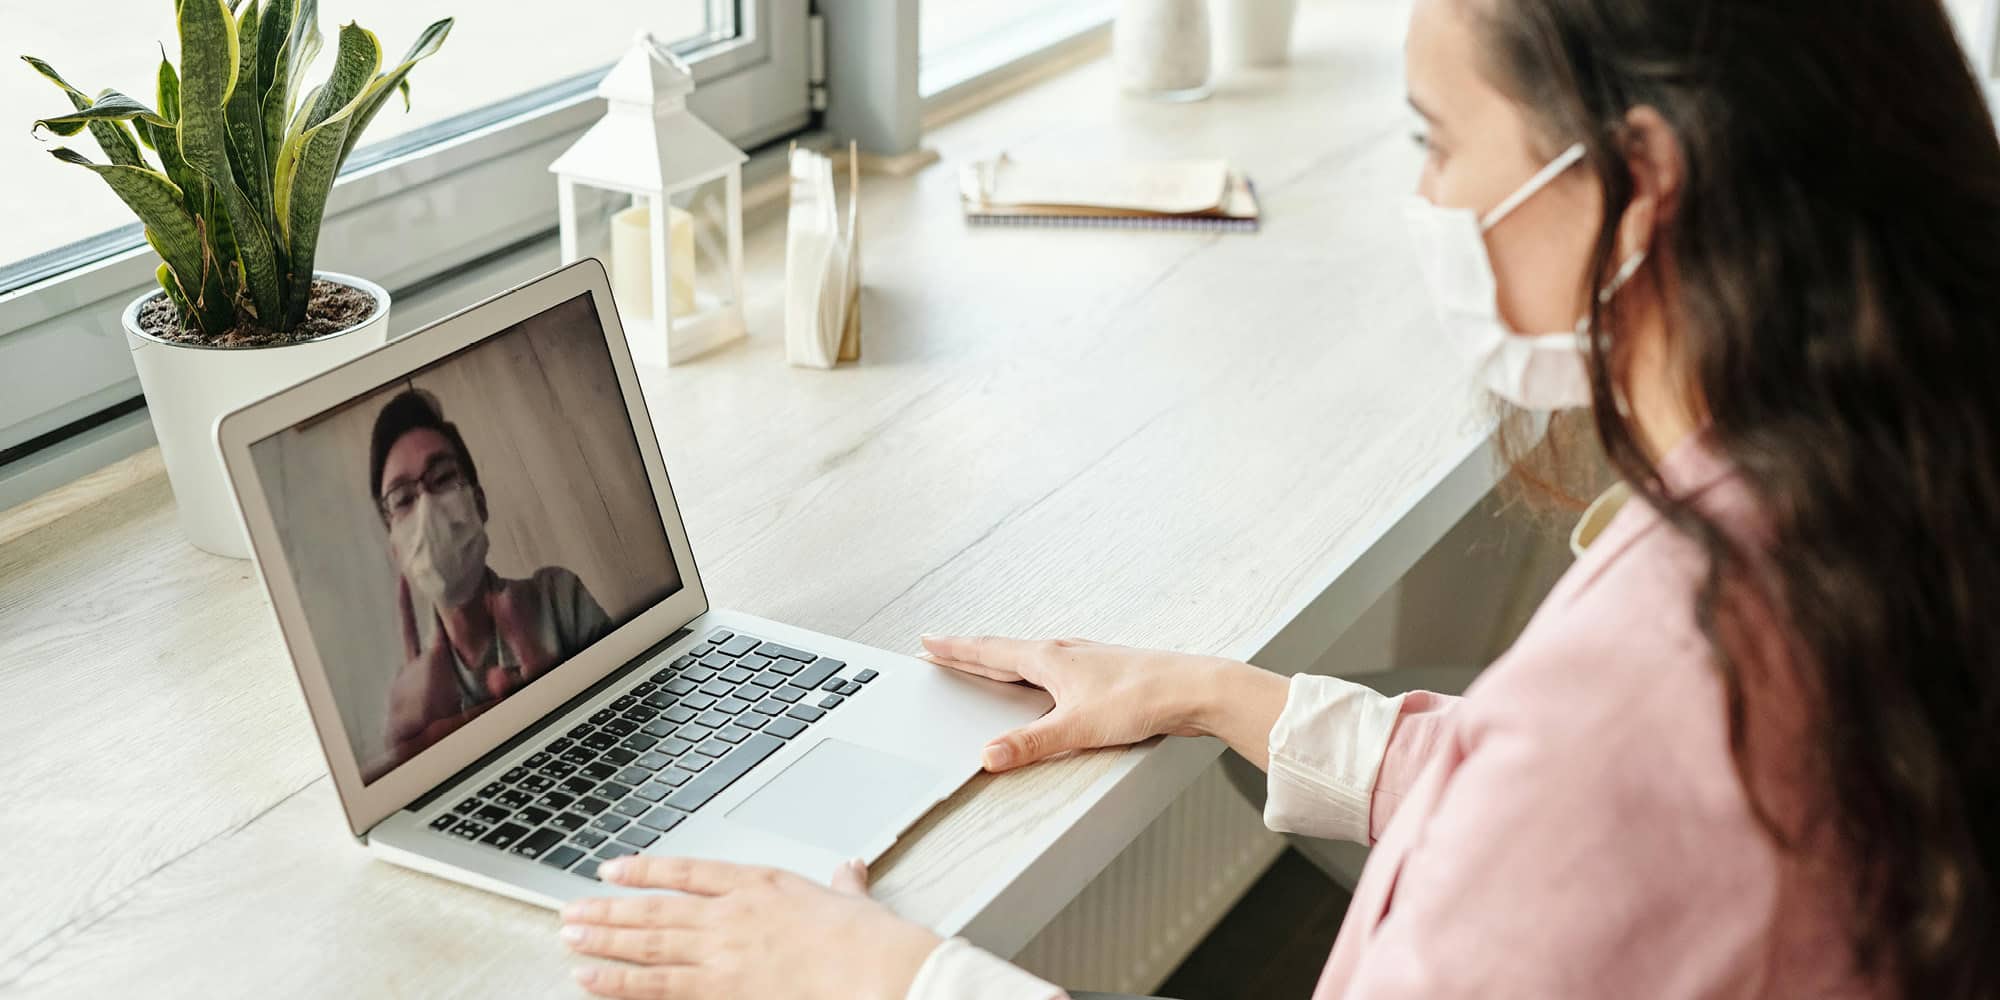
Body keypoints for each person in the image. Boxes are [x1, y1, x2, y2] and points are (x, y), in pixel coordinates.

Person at [552, 0, 1999, 996]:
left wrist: (890, 974)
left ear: (1640, 182)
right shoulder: (1872, 484)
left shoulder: (1666, 677)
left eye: (1437, 141)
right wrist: (1219, 693)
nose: (1426, 200)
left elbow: (1585, 787)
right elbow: (1571, 827)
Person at [371, 389, 613, 776]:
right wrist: (411, 766)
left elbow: (632, 721)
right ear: (396, 550)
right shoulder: (410, 700)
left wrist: (564, 702)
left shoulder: (559, 598)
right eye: (403, 499)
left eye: (443, 477)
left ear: (480, 503)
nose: (428, 508)